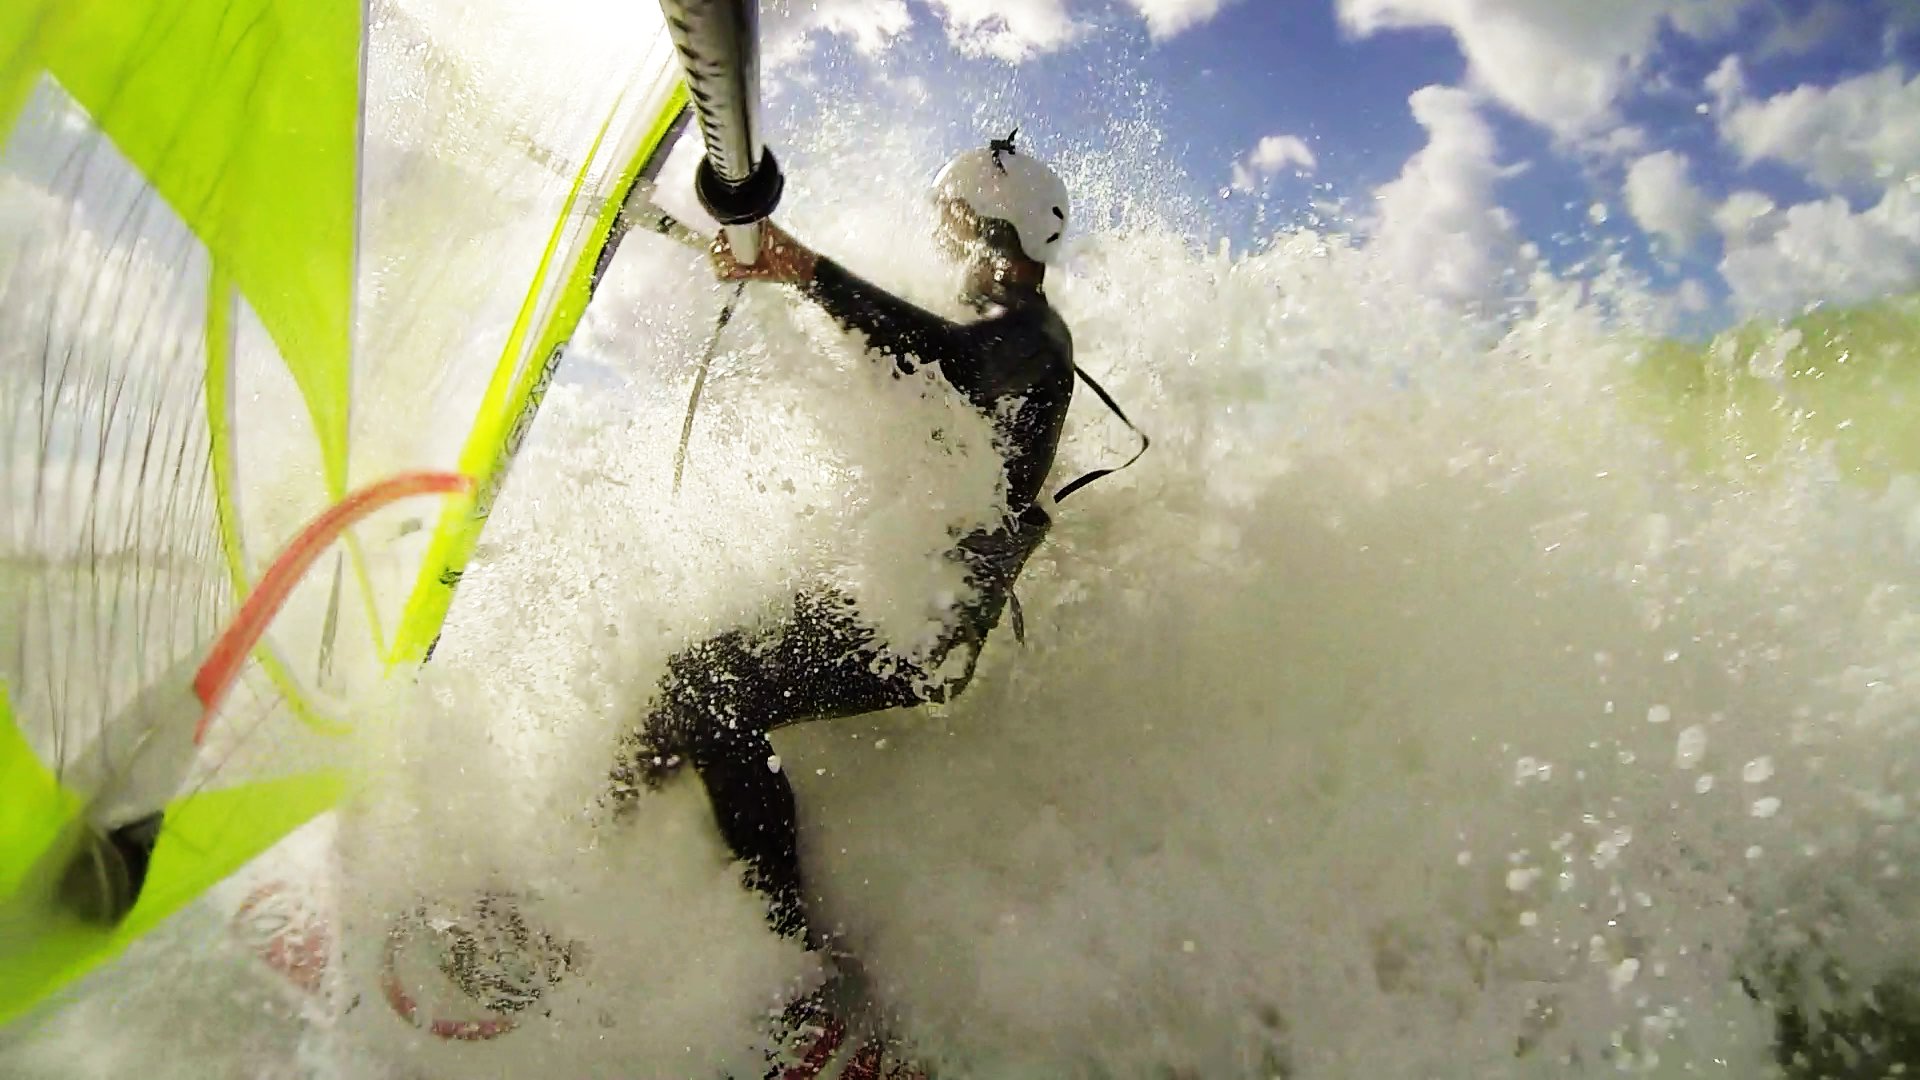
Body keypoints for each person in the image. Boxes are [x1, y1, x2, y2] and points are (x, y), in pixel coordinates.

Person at [609, 131, 1077, 959]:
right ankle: (592, 868)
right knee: (683, 682)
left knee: (711, 690)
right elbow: (908, 347)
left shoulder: (1036, 336)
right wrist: (781, 276)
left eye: (951, 220)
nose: (941, 237)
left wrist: (806, 269)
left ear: (988, 225)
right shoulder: (990, 327)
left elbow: (957, 364)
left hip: (923, 633)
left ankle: (792, 970)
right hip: (892, 602)